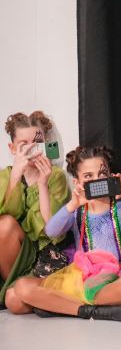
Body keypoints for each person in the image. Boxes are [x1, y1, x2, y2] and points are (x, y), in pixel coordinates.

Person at [9, 144, 121, 320]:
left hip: (107, 280)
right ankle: (90, 311)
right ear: (77, 182)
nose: (97, 180)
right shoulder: (77, 212)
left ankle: (60, 307)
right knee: (15, 296)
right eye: (88, 176)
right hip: (77, 278)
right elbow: (51, 230)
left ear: (110, 175)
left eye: (102, 174)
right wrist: (72, 205)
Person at [1, 111, 70, 310]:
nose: (32, 149)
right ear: (13, 148)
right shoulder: (5, 176)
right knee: (4, 224)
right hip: (11, 257)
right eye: (24, 145)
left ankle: (20, 292)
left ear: (45, 143)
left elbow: (52, 229)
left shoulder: (55, 176)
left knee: (15, 303)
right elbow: (8, 217)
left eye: (37, 142)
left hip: (42, 255)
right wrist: (16, 176)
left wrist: (42, 183)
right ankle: (18, 289)